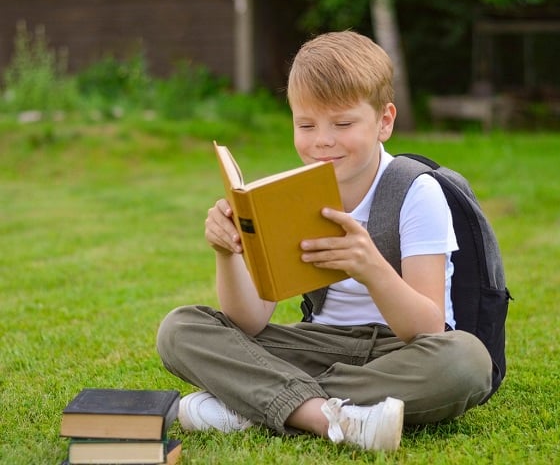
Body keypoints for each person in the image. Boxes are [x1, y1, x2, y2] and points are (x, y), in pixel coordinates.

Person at [156, 30, 492, 452]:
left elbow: (428, 329)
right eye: (306, 124)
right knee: (180, 329)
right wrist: (227, 254)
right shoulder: (290, 196)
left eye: (343, 123)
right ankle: (328, 416)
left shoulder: (416, 192)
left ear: (384, 121)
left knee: (467, 362)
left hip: (400, 351)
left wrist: (370, 267)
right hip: (316, 345)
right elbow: (249, 322)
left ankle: (254, 404)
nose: (322, 141)